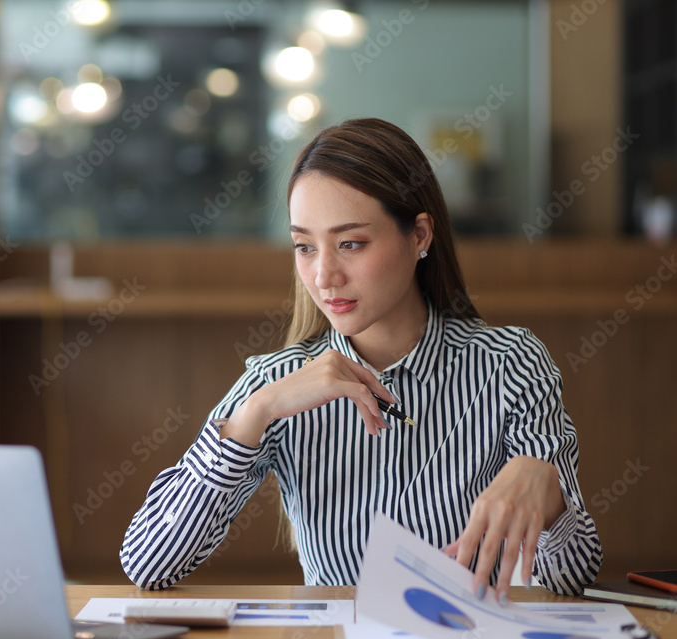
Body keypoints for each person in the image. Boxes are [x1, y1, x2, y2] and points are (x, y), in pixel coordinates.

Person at [120, 118, 601, 603]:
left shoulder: (510, 365)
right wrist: (253, 415)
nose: (323, 275)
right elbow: (148, 564)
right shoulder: (276, 384)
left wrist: (552, 498)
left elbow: (572, 579)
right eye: (304, 247)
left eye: (350, 243)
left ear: (418, 235)